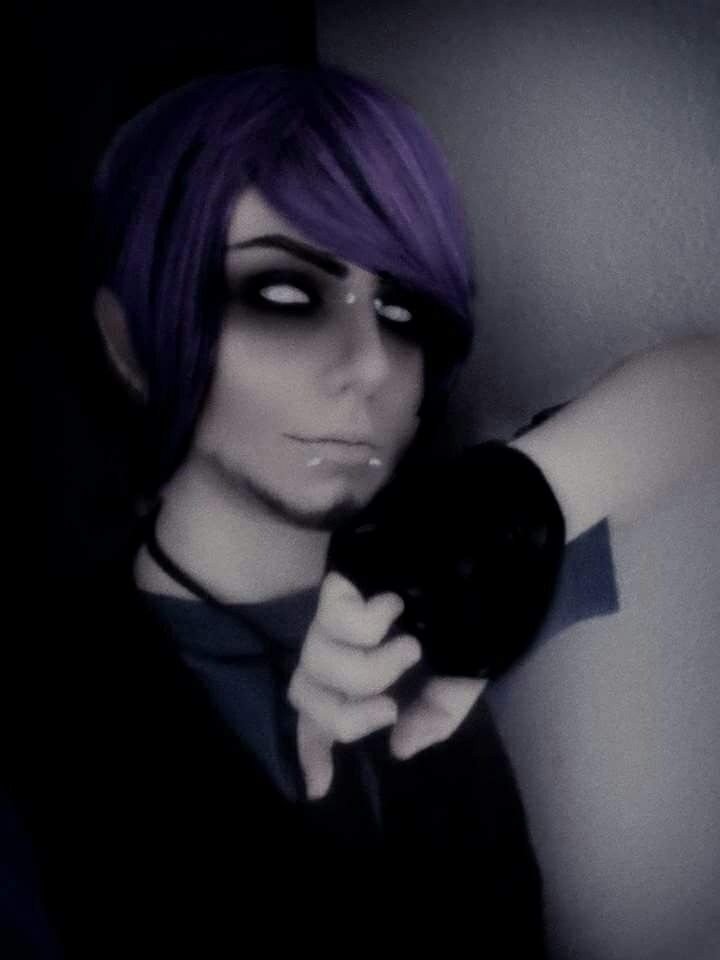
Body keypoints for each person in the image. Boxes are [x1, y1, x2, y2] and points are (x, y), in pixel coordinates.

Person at [5, 64, 719, 957]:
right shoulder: (42, 716)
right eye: (283, 294)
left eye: (403, 308)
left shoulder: (460, 566)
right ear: (130, 342)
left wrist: (500, 516)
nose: (371, 363)